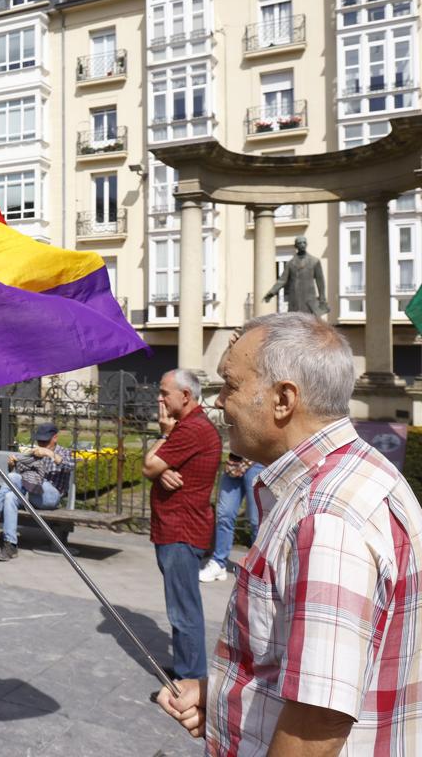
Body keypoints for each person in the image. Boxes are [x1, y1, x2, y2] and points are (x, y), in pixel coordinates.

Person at [158, 313, 422, 753]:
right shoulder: (358, 474)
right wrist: (225, 698)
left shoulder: (327, 518)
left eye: (230, 384)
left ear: (283, 399)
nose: (219, 401)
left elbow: (317, 722)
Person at [141, 368, 221, 685]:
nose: (159, 398)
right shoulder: (189, 428)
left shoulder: (191, 430)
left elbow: (149, 463)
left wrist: (163, 435)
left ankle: (190, 677)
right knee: (182, 604)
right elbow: (158, 467)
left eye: (164, 393)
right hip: (176, 529)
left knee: (183, 609)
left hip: (181, 531)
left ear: (185, 396)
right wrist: (162, 471)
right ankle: (188, 667)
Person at [0, 421, 73, 561]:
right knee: (10, 496)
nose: (42, 444)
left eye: (45, 442)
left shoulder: (64, 452)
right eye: (40, 441)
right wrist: (13, 465)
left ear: (55, 438)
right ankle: (11, 545)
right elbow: (22, 477)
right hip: (33, 495)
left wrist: (49, 453)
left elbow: (70, 466)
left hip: (51, 497)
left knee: (14, 477)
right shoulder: (34, 453)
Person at [198, 453, 263, 583]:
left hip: (258, 462)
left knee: (257, 521)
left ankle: (258, 569)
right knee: (224, 515)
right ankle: (219, 563)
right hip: (234, 463)